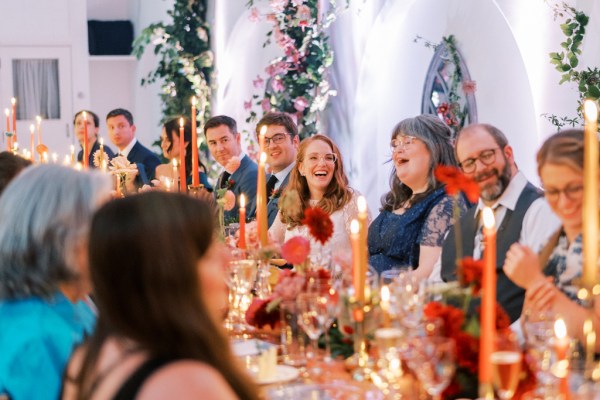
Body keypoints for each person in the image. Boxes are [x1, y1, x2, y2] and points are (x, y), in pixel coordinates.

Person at [62, 192, 258, 400]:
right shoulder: (185, 383)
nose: (227, 261)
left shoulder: (87, 359)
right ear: (172, 272)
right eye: (209, 255)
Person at [0, 165, 112, 400]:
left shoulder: (71, 304)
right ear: (69, 241)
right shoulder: (34, 341)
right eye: (102, 227)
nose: (113, 239)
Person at [436, 123, 561, 323]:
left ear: (508, 154)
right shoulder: (460, 227)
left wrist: (502, 345)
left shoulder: (540, 210)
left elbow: (546, 301)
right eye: (469, 163)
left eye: (486, 155)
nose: (480, 169)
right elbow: (434, 289)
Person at [504, 129, 600, 347]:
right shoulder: (555, 241)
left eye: (574, 188)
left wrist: (535, 281)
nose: (564, 202)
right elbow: (532, 321)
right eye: (553, 191)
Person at [368, 115, 468, 278]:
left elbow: (427, 272)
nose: (398, 150)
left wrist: (386, 292)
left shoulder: (447, 202)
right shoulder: (396, 201)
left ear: (434, 147)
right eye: (395, 144)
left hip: (403, 298)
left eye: (407, 142)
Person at [269, 134, 368, 258]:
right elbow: (270, 244)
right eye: (313, 158)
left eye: (328, 158)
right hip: (299, 277)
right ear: (301, 168)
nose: (322, 163)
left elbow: (366, 254)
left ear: (335, 165)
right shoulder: (291, 202)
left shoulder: (351, 200)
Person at [204, 115, 258, 222]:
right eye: (213, 143)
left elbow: (249, 223)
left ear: (237, 138)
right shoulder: (223, 175)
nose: (219, 148)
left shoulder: (252, 174)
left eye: (224, 140)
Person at [256, 112, 300, 227]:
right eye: (266, 141)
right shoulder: (263, 181)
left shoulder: (303, 181)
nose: (271, 146)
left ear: (295, 141)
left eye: (279, 138)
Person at [106, 108, 161, 184]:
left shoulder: (149, 158)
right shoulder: (112, 160)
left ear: (133, 128)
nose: (116, 132)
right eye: (111, 127)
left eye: (121, 126)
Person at [157, 118, 213, 191]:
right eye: (162, 139)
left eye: (168, 140)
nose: (162, 145)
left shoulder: (197, 177)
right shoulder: (158, 170)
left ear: (185, 142)